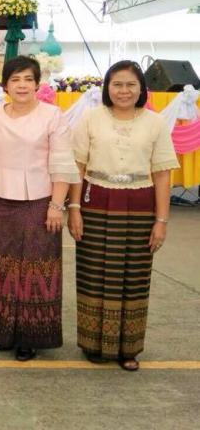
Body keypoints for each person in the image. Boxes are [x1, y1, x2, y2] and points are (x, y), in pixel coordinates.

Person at [69, 60, 178, 371]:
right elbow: (78, 167)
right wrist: (73, 209)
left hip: (140, 205)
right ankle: (93, 344)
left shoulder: (155, 123)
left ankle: (128, 348)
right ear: (107, 87)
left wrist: (161, 221)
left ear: (142, 88)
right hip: (95, 202)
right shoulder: (90, 118)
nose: (124, 91)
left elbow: (162, 174)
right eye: (117, 84)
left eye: (131, 84)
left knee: (134, 276)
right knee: (93, 273)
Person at [0, 56, 80, 362]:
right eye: (15, 79)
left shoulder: (53, 115)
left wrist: (56, 206)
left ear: (38, 84)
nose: (22, 85)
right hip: (1, 199)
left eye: (28, 79)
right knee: (3, 265)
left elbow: (62, 163)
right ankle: (4, 331)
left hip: (41, 201)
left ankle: (30, 336)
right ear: (5, 84)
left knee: (37, 267)